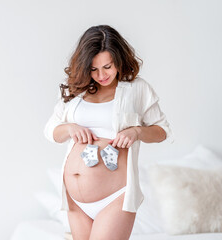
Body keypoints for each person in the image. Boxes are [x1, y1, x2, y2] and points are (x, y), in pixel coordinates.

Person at [43, 25, 174, 240]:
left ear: (119, 61)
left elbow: (162, 131)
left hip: (115, 197)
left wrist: (137, 132)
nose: (101, 75)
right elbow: (51, 131)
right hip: (75, 201)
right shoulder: (76, 90)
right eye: (93, 69)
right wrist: (69, 128)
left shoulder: (137, 89)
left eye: (107, 66)